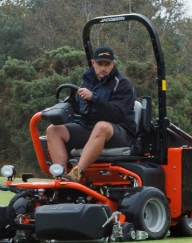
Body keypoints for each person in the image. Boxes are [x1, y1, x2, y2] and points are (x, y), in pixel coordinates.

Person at [45, 46, 136, 181]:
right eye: (100, 64)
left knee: (101, 126)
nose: (103, 68)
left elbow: (117, 115)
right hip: (90, 129)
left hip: (120, 131)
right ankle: (60, 176)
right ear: (93, 63)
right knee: (53, 130)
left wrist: (94, 98)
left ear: (113, 64)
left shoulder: (122, 83)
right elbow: (80, 111)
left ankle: (76, 174)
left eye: (107, 64)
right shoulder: (87, 82)